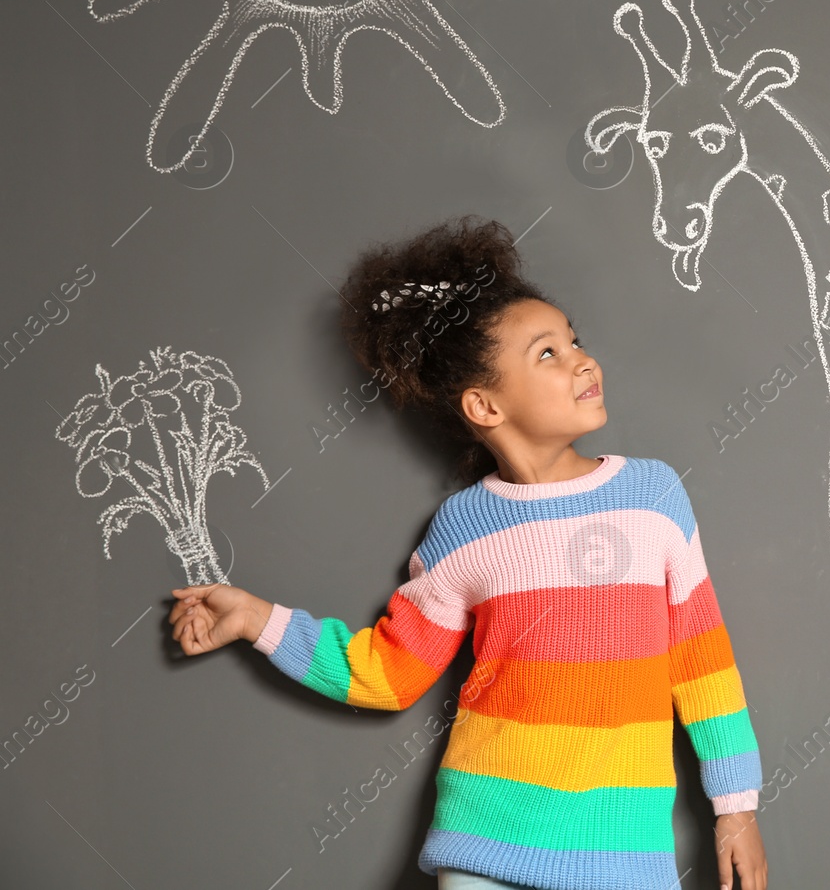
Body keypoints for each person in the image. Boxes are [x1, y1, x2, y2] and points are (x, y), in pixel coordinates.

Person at [168, 215, 769, 890]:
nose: (582, 360)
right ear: (484, 405)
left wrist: (735, 809)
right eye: (548, 353)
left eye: (575, 341)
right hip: (484, 850)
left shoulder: (653, 496)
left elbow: (702, 662)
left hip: (625, 857)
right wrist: (256, 618)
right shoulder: (463, 528)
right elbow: (389, 673)